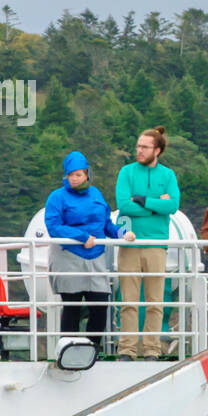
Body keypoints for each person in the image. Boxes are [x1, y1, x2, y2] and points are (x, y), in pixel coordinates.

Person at [44, 150, 135, 351]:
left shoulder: (96, 194)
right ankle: (68, 350)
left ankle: (93, 348)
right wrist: (82, 237)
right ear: (66, 176)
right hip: (69, 256)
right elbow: (54, 226)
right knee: (73, 307)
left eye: (78, 174)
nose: (74, 178)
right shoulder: (57, 197)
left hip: (96, 256)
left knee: (100, 304)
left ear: (87, 174)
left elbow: (105, 224)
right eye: (70, 174)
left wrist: (121, 233)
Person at [115, 126, 180, 360]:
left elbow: (172, 206)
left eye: (144, 147)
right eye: (138, 146)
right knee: (128, 301)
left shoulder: (168, 175)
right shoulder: (127, 172)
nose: (139, 151)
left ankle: (152, 350)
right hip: (130, 245)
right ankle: (127, 350)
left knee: (155, 302)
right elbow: (123, 204)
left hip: (157, 245)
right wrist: (154, 205)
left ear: (158, 150)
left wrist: (142, 200)